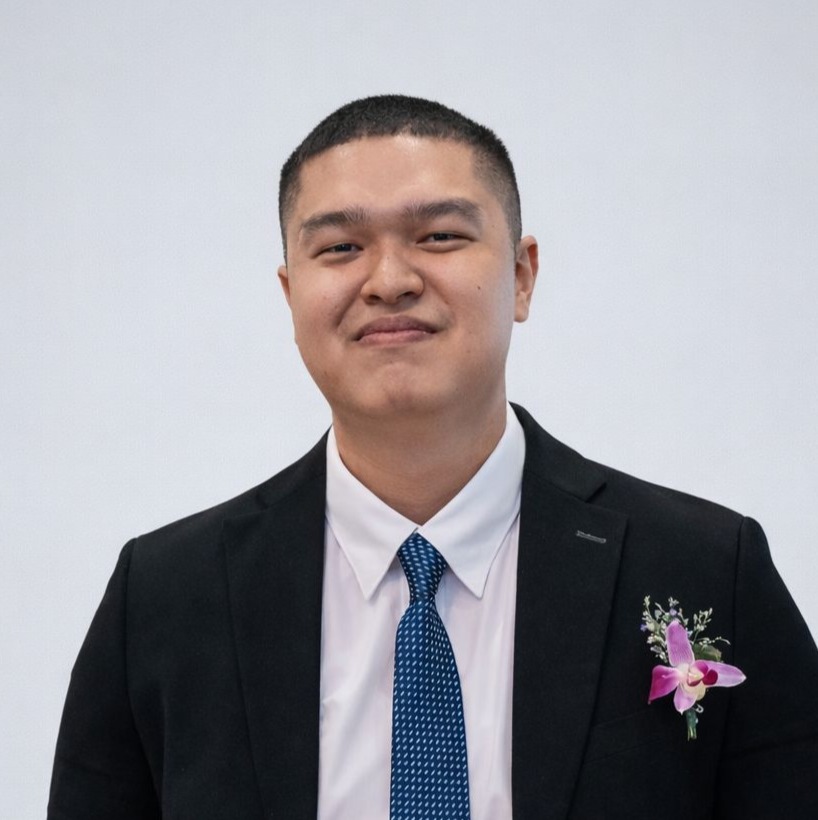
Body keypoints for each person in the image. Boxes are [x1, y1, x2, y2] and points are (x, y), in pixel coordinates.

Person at [48, 95, 818, 820]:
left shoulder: (706, 569)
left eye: (440, 236)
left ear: (522, 275)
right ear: (290, 295)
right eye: (340, 247)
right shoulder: (165, 596)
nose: (389, 281)